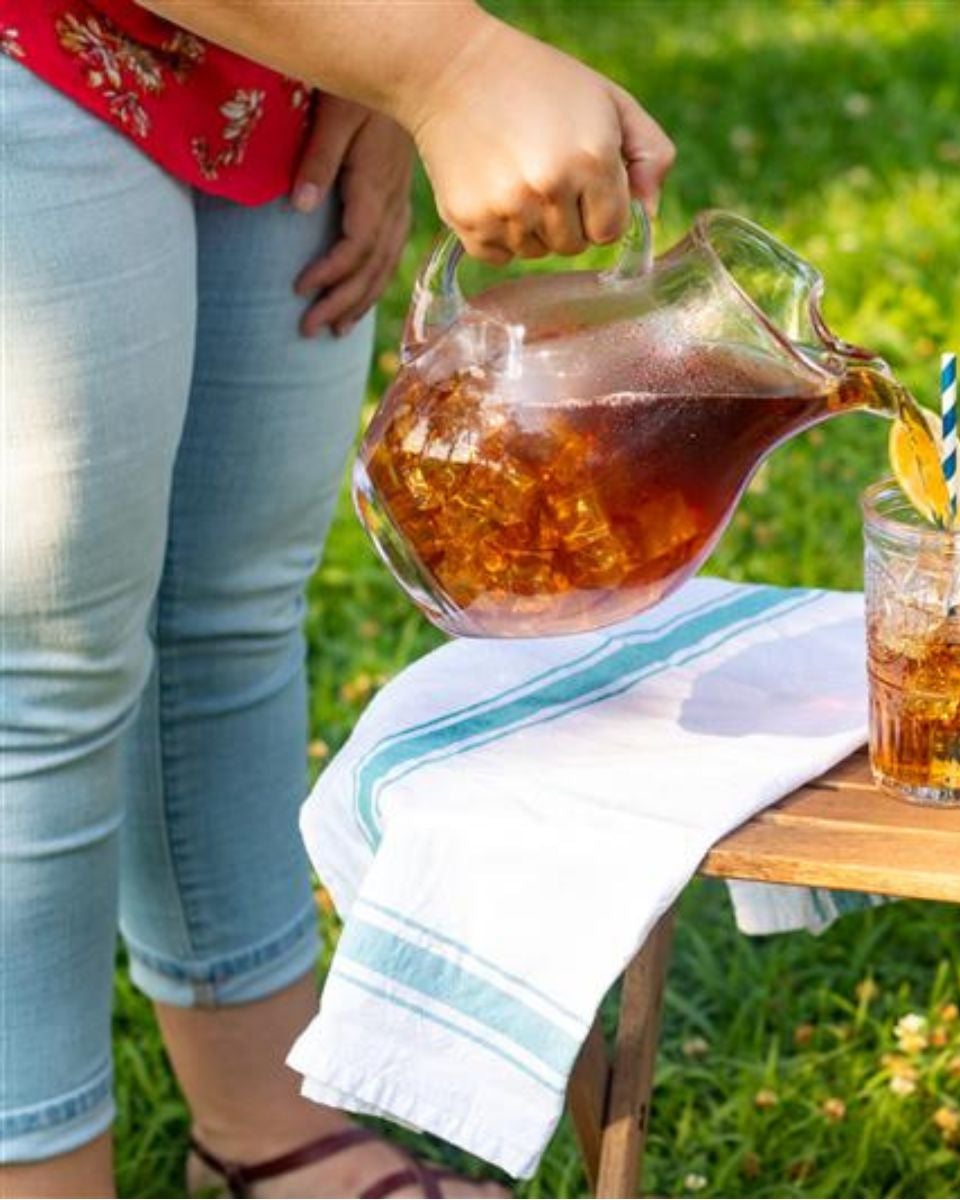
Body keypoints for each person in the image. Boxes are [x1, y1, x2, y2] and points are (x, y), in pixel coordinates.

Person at [0, 1, 674, 1195]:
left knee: (232, 602)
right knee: (43, 663)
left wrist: (372, 50)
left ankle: (263, 1123)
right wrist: (445, 63)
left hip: (272, 47)